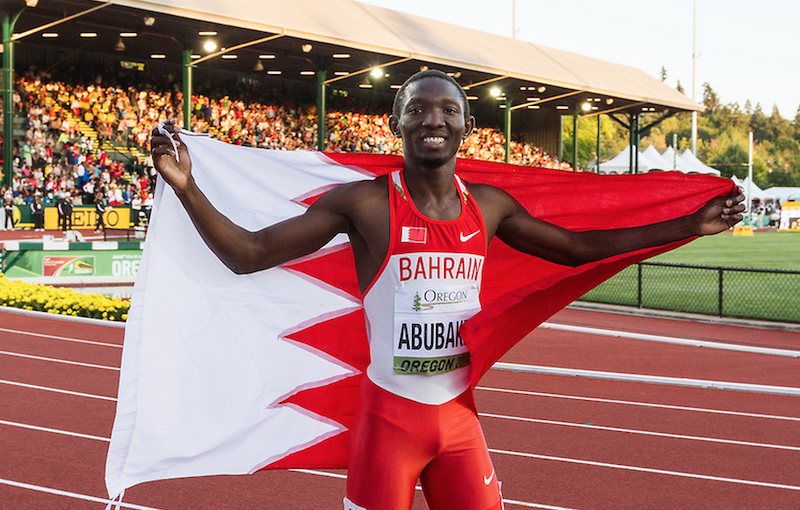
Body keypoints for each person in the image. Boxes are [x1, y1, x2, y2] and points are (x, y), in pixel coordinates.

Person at [150, 69, 744, 510]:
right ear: (397, 122)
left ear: (466, 124)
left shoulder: (488, 206)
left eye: (447, 111)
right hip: (388, 422)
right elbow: (248, 255)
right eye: (418, 109)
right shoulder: (365, 204)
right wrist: (187, 188)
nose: (433, 119)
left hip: (459, 423)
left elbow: (577, 249)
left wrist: (688, 224)